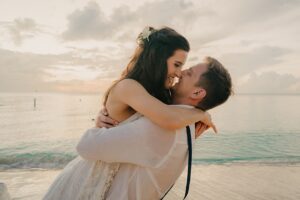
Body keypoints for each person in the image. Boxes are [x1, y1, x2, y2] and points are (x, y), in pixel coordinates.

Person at [43, 27, 214, 200]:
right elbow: (168, 119)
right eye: (177, 64)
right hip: (92, 176)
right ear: (158, 59)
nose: (179, 73)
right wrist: (201, 115)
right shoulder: (128, 87)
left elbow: (164, 128)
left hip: (114, 176)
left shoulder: (157, 91)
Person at [77, 57, 233, 199]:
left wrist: (100, 129)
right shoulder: (182, 123)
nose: (180, 73)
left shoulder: (163, 128)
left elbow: (85, 146)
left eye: (189, 73)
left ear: (197, 92)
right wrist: (111, 116)